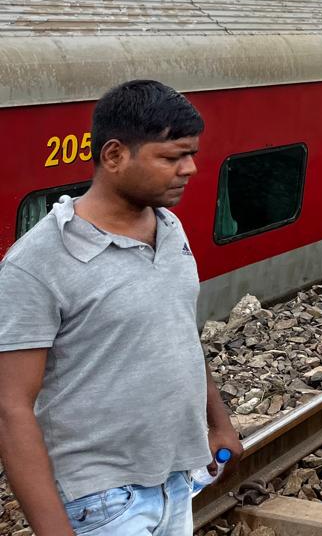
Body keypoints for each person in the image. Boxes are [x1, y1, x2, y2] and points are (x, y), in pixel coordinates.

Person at [0, 80, 242, 536]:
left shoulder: (170, 228)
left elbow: (177, 333)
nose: (190, 169)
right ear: (114, 156)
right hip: (101, 502)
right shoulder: (36, 264)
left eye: (191, 154)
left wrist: (218, 422)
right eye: (171, 157)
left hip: (176, 480)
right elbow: (11, 408)